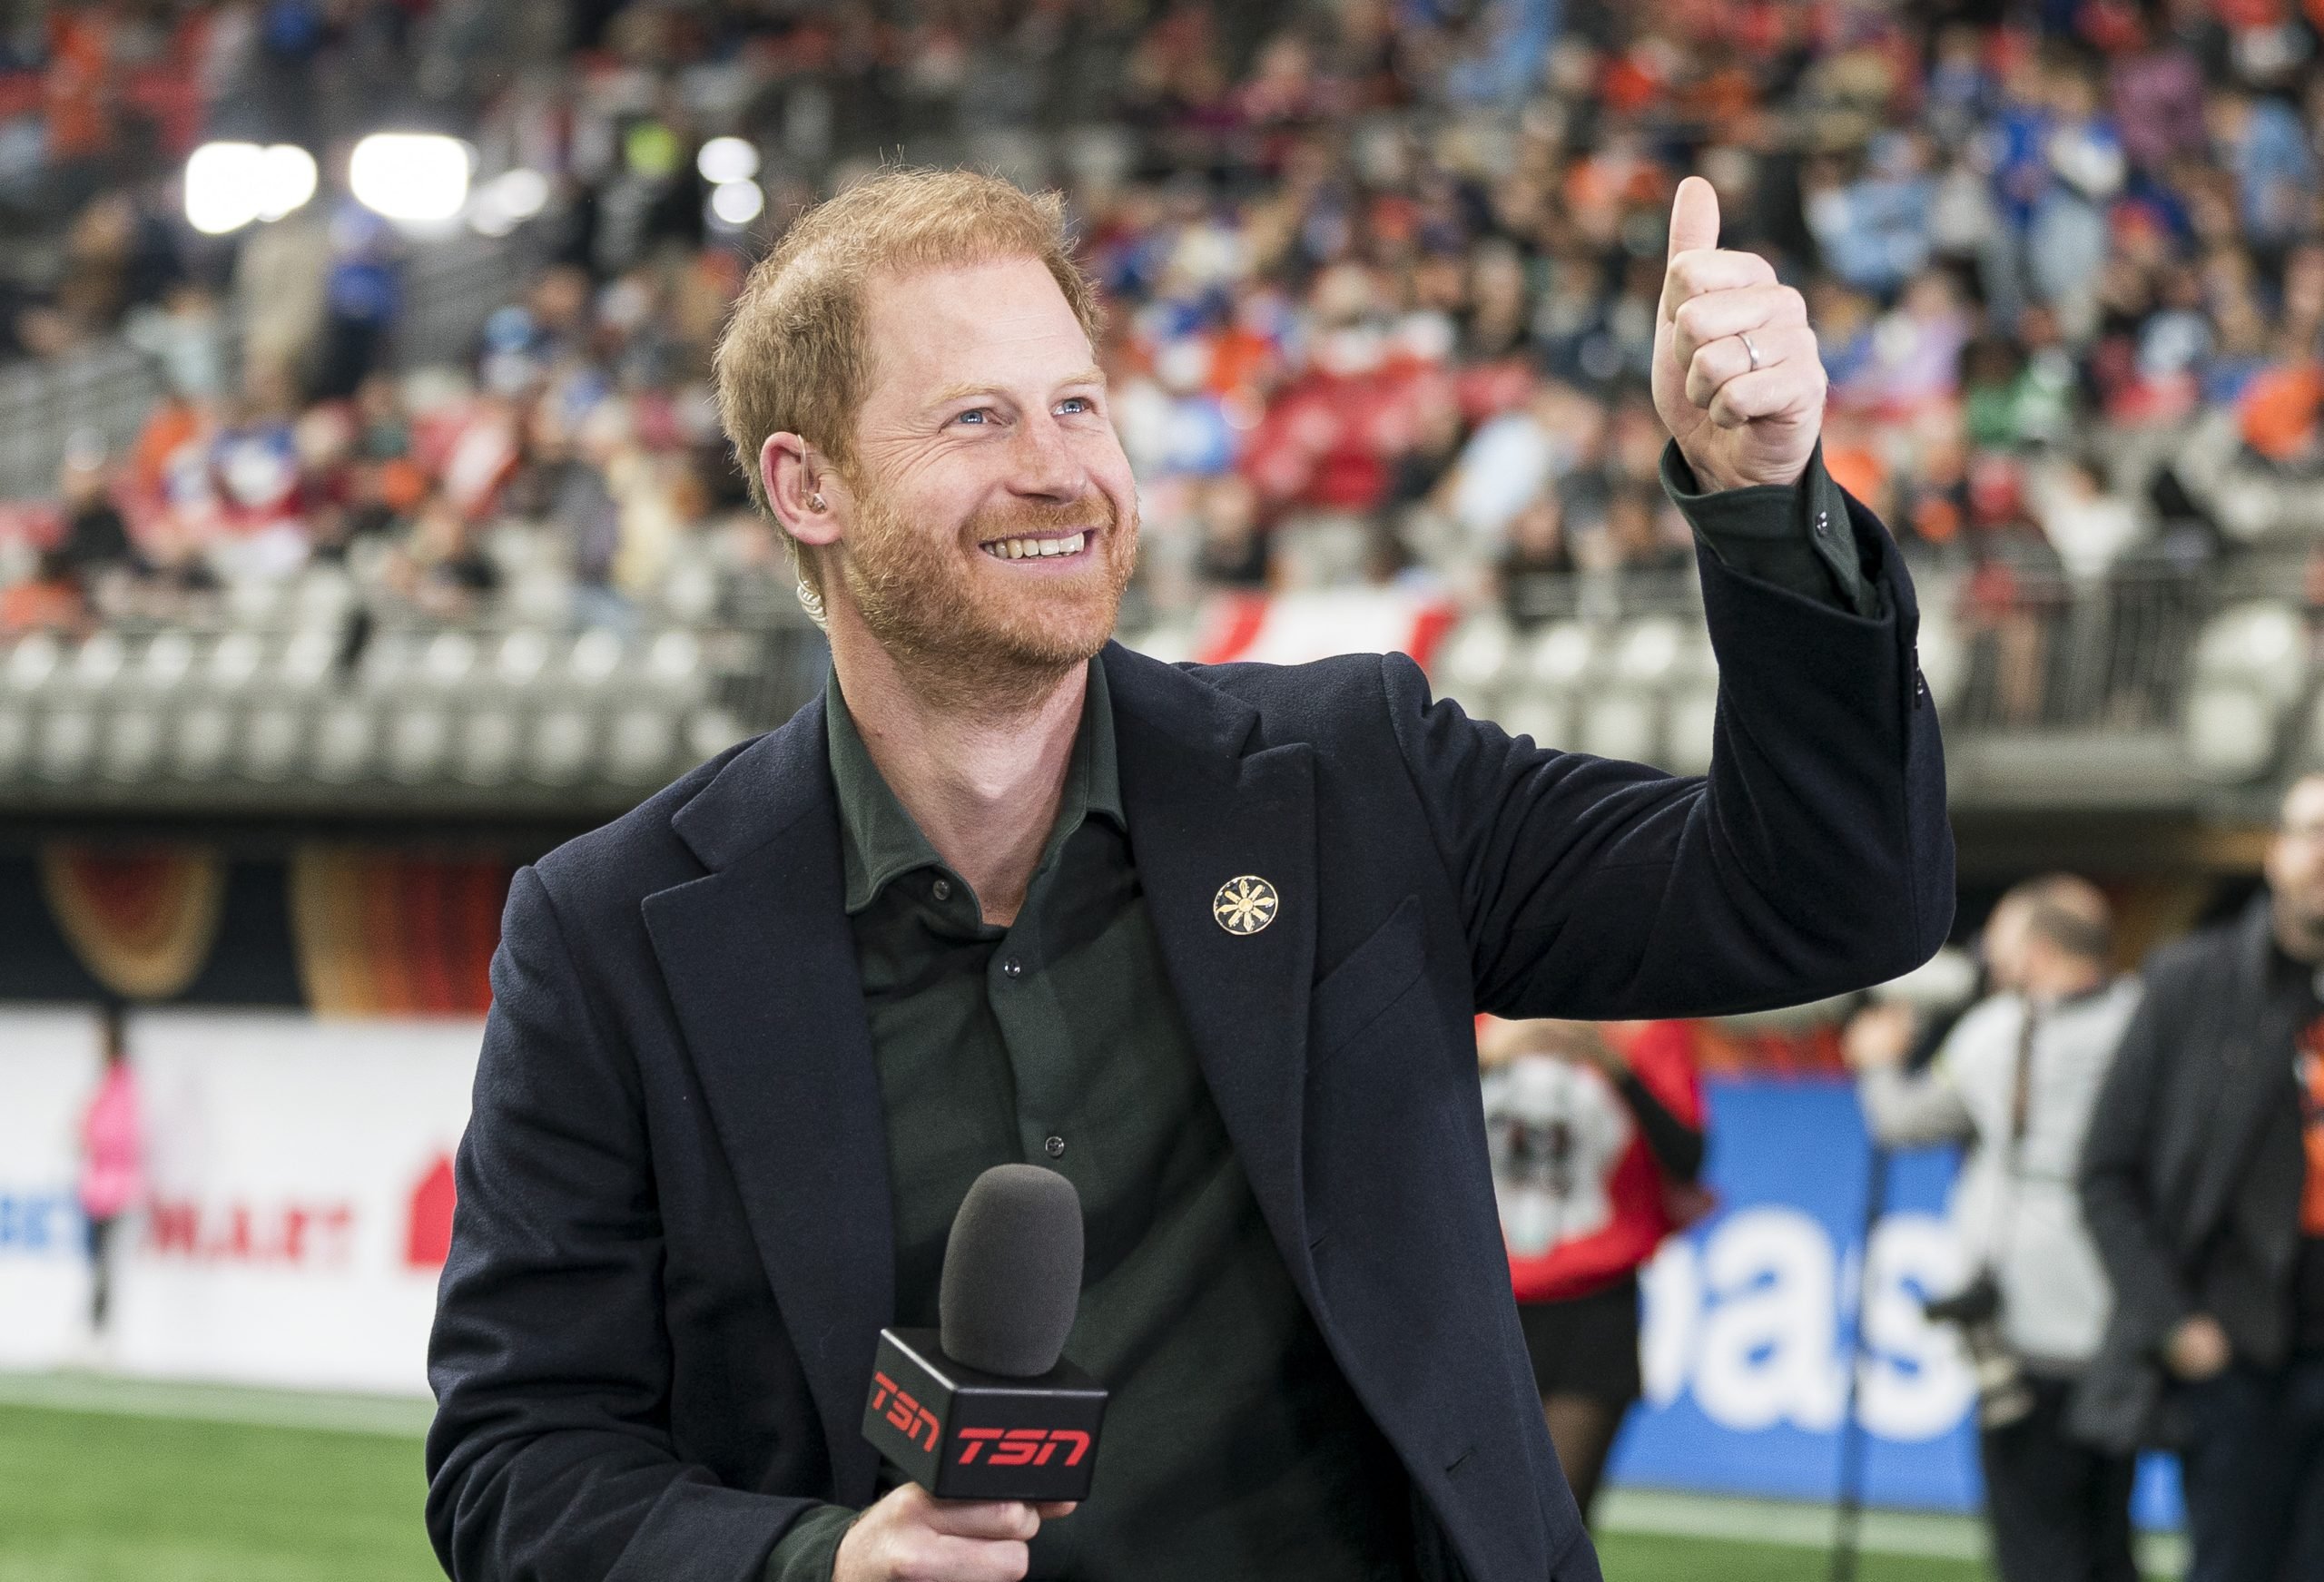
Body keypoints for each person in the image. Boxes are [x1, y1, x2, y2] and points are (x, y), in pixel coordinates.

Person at [424, 168, 1954, 1582]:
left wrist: (1765, 502)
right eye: (975, 420)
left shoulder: (1356, 773)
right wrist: (812, 1559)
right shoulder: (613, 931)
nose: (1059, 471)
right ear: (804, 486)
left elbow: (1830, 895)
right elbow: (517, 1459)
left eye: (1079, 405)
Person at [1845, 877, 2142, 1582]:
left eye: (2001, 946)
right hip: (2127, 1321)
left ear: (2038, 951)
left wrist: (1879, 1062)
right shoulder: (2147, 1019)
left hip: (2024, 1330)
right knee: (2108, 1536)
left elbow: (1904, 1120)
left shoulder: (1998, 1031)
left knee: (2035, 1540)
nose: (1987, 961)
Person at [2078, 773, 2324, 1582]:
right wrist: (2178, 1328)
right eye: (2313, 833)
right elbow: (2106, 1171)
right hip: (2236, 1358)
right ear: (2275, 850)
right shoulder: (2191, 981)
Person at [1479, 1017, 1708, 1524]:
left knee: (1555, 1526)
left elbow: (1687, 1157)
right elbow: (1401, 1132)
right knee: (1471, 1522)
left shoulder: (1650, 1029)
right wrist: (1487, 1058)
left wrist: (1613, 1064)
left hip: (1592, 1308)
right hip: (1480, 1304)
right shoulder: (1467, 1013)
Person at [77, 1007, 143, 1341]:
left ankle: (97, 1331)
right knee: (96, 1262)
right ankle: (94, 1328)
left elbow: (118, 1136)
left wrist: (88, 1134)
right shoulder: (108, 1080)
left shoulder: (121, 1080)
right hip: (97, 1187)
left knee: (103, 1263)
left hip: (111, 1189)